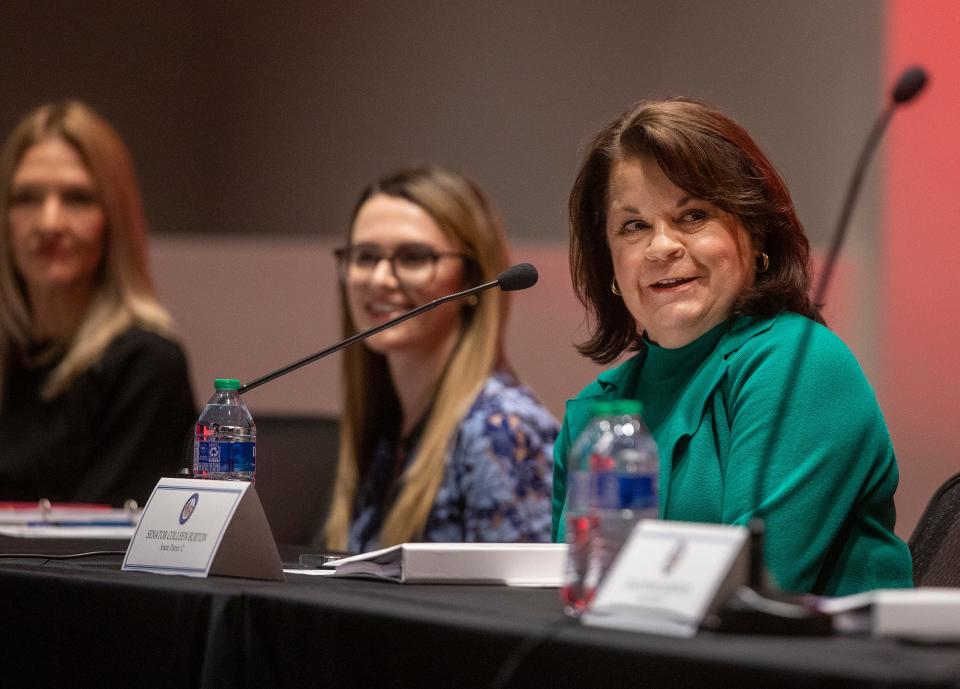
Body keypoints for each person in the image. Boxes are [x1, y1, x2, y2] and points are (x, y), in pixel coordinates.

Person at [552, 97, 912, 596]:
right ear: (608, 260)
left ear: (756, 230)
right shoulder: (598, 408)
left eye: (694, 216)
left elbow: (753, 588)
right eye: (634, 226)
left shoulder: (801, 366)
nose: (661, 247)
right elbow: (570, 594)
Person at [322, 165, 557, 553]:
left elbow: (513, 610)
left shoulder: (501, 430)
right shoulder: (388, 426)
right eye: (364, 257)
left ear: (471, 280)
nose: (380, 278)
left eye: (413, 257)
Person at [0, 101, 196, 506]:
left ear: (114, 220)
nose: (49, 222)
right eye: (27, 198)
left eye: (76, 198)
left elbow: (98, 554)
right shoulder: (11, 356)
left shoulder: (146, 366)